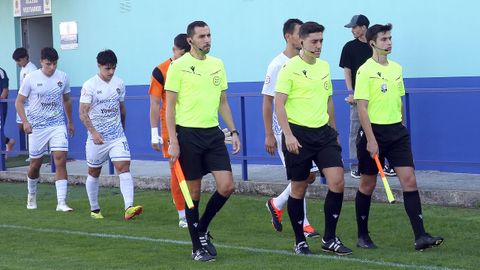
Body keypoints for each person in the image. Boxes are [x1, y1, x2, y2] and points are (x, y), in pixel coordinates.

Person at [354, 23, 443, 251]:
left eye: (390, 38)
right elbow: (361, 108)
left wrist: (402, 123)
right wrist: (371, 140)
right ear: (372, 42)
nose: (389, 43)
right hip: (373, 132)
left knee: (410, 180)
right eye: (384, 39)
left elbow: (399, 98)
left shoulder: (397, 68)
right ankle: (362, 235)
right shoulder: (364, 70)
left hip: (396, 132)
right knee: (367, 184)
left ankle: (420, 236)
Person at [165, 21, 241, 262]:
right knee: (193, 192)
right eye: (201, 36)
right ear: (190, 40)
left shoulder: (218, 65)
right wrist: (173, 140)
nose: (207, 39)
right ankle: (196, 247)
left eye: (209, 35)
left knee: (227, 186)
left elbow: (223, 102)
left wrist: (234, 131)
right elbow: (169, 108)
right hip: (188, 135)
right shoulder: (178, 66)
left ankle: (202, 228)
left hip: (213, 134)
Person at [275, 21, 352, 256]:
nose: (319, 46)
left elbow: (329, 100)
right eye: (314, 41)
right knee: (299, 188)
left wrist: (334, 131)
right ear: (301, 41)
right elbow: (279, 103)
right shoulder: (289, 68)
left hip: (324, 134)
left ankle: (330, 238)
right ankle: (300, 240)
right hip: (298, 135)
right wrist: (287, 135)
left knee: (337, 181)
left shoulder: (325, 67)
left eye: (321, 41)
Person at [262, 18, 319, 238]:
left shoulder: (307, 62)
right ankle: (303, 223)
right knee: (300, 175)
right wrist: (270, 134)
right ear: (289, 37)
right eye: (300, 33)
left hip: (306, 128)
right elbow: (268, 101)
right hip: (284, 130)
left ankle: (277, 203)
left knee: (309, 176)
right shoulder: (277, 64)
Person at [79, 49, 143, 220]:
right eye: (107, 68)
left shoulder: (119, 83)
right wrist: (93, 132)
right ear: (99, 66)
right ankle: (95, 209)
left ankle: (128, 207)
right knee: (94, 172)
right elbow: (82, 113)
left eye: (113, 68)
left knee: (124, 167)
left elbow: (122, 109)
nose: (111, 72)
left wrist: (122, 129)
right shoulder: (89, 85)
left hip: (117, 136)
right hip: (97, 139)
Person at [15, 47, 74, 212]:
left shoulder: (63, 77)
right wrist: (25, 122)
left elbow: (67, 100)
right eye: (49, 64)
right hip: (37, 127)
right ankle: (31, 195)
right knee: (35, 165)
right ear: (41, 61)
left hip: (57, 124)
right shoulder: (31, 78)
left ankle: (61, 202)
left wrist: (70, 121)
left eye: (55, 64)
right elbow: (19, 102)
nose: (52, 67)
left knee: (60, 159)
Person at [149, 33, 191, 228]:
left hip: (191, 124)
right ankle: (182, 214)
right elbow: (155, 104)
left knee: (192, 168)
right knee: (176, 169)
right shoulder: (160, 71)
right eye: (181, 55)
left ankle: (187, 205)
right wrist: (154, 133)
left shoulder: (192, 67)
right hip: (169, 127)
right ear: (174, 50)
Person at [339, 15, 372, 179]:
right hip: (357, 98)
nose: (352, 30)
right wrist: (351, 92)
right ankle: (355, 165)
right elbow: (347, 71)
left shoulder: (374, 46)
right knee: (355, 132)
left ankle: (378, 163)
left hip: (375, 97)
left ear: (364, 27)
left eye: (355, 27)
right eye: (352, 27)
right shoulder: (349, 47)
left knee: (379, 130)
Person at [12, 47, 38, 145]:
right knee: (21, 125)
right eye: (16, 61)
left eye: (18, 60)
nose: (17, 63)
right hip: (22, 103)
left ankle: (37, 150)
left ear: (25, 58)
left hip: (30, 103)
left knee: (30, 126)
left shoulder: (32, 69)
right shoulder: (23, 69)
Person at [0, 67, 16, 155]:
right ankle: (9, 141)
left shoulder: (1, 71)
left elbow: (5, 90)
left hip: (1, 106)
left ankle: (8, 143)